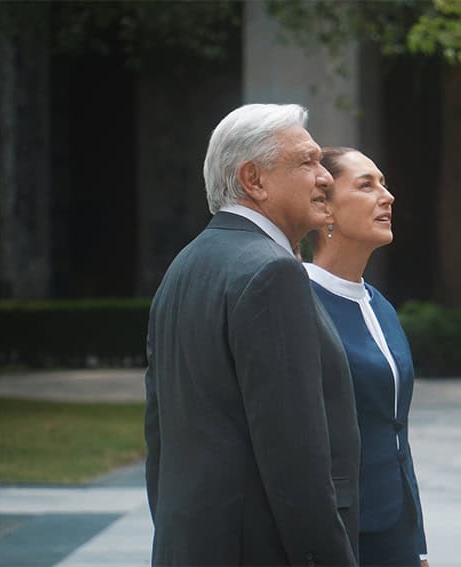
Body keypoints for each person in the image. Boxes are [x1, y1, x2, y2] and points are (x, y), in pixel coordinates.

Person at [144, 104, 360, 567]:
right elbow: (295, 461)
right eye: (307, 162)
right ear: (253, 179)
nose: (325, 177)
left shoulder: (183, 266)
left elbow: (160, 439)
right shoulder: (273, 272)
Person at [304, 147, 428, 567]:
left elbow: (397, 434)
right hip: (337, 533)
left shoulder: (381, 307)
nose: (387, 196)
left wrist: (419, 543)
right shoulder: (297, 302)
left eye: (384, 183)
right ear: (326, 209)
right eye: (366, 185)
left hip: (396, 528)